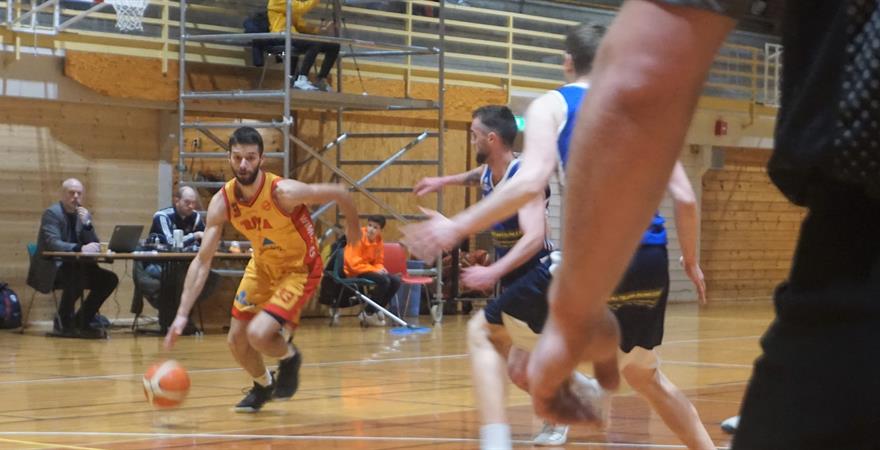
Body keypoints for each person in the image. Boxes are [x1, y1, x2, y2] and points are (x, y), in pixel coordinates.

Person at [402, 22, 713, 449]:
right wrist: (691, 261)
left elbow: (530, 183)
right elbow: (685, 197)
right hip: (650, 260)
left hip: (595, 260)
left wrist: (457, 226)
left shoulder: (552, 104)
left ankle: (498, 443)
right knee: (647, 377)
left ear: (568, 62)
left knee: (482, 331)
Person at [164, 126, 361, 413]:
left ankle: (290, 357)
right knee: (236, 341)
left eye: (250, 158)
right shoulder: (223, 201)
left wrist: (353, 229)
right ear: (229, 158)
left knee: (258, 335)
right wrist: (182, 315)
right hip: (262, 267)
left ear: (261, 159)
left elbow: (340, 192)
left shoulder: (283, 192)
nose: (243, 164)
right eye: (237, 157)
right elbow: (203, 260)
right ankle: (263, 385)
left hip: (298, 269)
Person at [413, 105, 569, 448]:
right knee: (517, 369)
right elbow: (476, 175)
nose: (471, 140)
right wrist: (444, 180)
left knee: (493, 340)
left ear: (492, 138)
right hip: (514, 275)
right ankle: (572, 392)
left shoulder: (525, 177)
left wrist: (491, 271)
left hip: (541, 272)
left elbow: (532, 239)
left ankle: (552, 419)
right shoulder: (489, 173)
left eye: (474, 135)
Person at [27, 178, 118, 339]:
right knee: (76, 275)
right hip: (52, 267)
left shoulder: (82, 214)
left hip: (77, 266)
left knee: (109, 279)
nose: (75, 196)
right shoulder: (52, 213)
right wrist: (79, 248)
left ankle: (82, 320)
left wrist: (87, 224)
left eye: (79, 193)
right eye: (71, 193)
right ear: (62, 195)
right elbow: (52, 242)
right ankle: (63, 321)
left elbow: (93, 243)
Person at [135, 186, 217, 328]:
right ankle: (172, 320)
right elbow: (172, 243)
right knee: (180, 277)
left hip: (182, 265)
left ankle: (181, 318)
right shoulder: (162, 216)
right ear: (176, 200)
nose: (191, 206)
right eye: (187, 202)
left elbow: (206, 241)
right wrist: (195, 235)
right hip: (156, 265)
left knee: (209, 277)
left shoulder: (195, 217)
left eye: (194, 202)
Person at [267, 0, 340, 91]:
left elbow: (301, 25)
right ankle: (302, 78)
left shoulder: (291, 3)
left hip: (293, 36)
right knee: (314, 43)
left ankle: (321, 79)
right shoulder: (276, 1)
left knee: (334, 46)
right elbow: (302, 8)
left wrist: (321, 30)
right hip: (281, 36)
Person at [343, 214, 400, 327]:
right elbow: (353, 263)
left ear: (380, 230)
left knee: (396, 281)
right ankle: (369, 312)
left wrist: (380, 268)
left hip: (368, 269)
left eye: (375, 227)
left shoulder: (379, 241)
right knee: (384, 281)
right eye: (369, 225)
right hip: (355, 270)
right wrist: (374, 269)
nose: (371, 229)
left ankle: (376, 308)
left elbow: (378, 261)